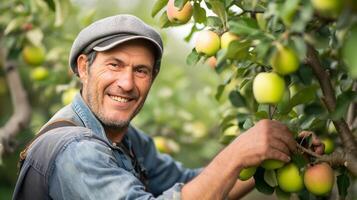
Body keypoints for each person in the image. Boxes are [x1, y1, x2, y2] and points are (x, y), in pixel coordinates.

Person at [13, 14, 323, 200]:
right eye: (114, 65)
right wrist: (237, 152)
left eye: (141, 70)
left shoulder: (126, 139)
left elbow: (196, 184)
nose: (127, 83)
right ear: (84, 68)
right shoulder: (76, 151)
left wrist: (268, 154)